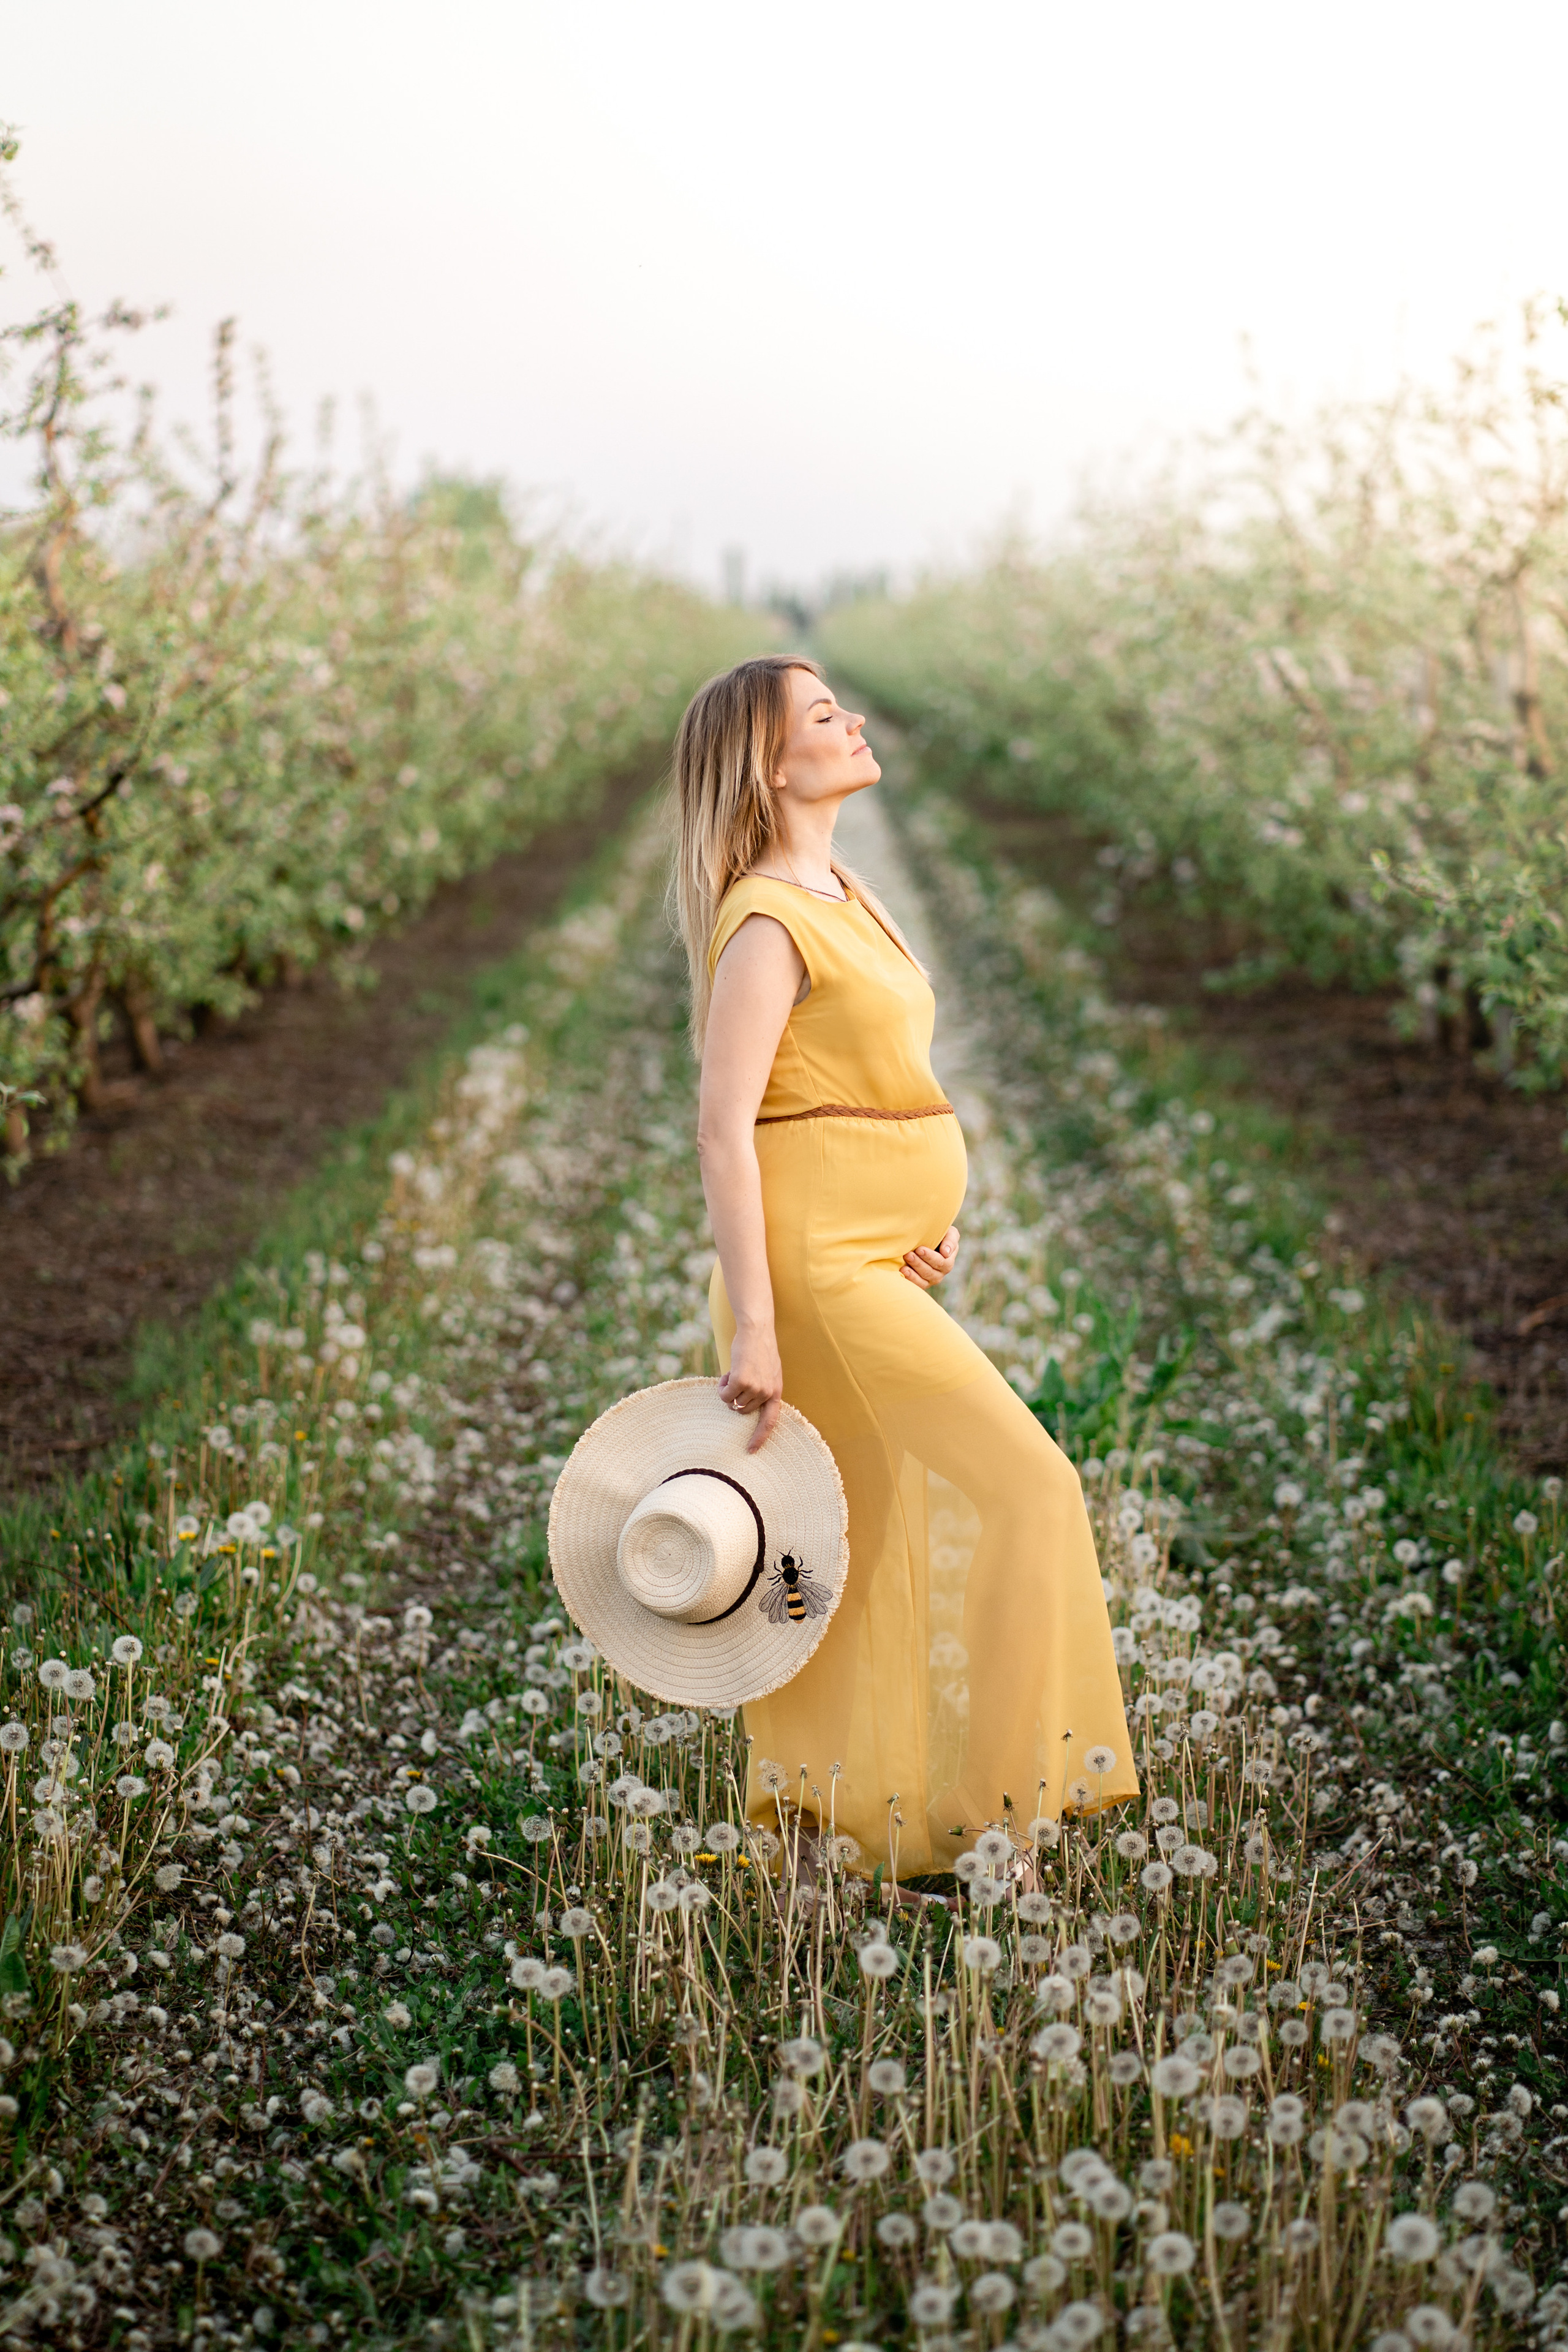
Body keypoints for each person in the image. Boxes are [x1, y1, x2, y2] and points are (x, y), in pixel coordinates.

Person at [672, 655, 1136, 1882]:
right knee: (1031, 1487)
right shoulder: (766, 918)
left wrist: (915, 1209)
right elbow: (723, 1126)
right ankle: (1002, 1822)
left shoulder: (842, 886)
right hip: (811, 1272)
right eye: (824, 715)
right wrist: (755, 1329)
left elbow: (860, 1089)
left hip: (869, 1254)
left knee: (856, 1544)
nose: (855, 718)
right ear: (772, 766)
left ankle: (831, 1827)